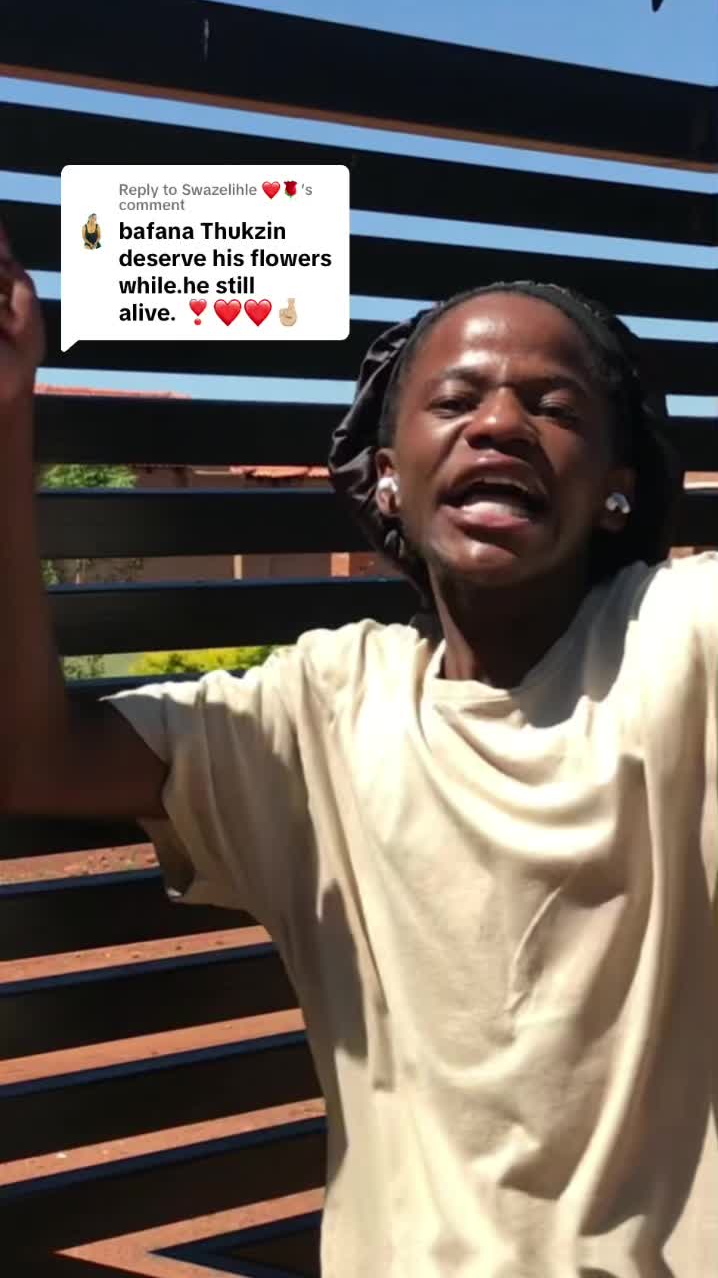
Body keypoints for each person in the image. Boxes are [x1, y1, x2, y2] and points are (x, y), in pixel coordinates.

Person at [0, 223, 716, 1276]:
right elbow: (35, 759)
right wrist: (8, 409)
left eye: (555, 407)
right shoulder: (324, 710)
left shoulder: (683, 642)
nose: (500, 424)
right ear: (386, 478)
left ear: (616, 486)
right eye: (456, 400)